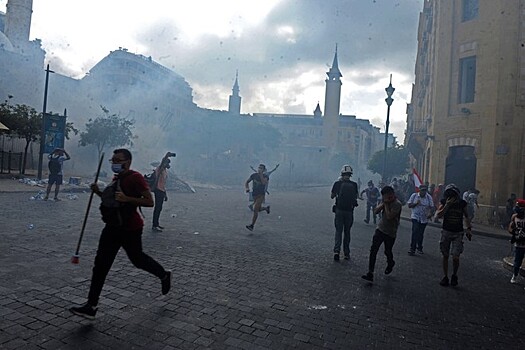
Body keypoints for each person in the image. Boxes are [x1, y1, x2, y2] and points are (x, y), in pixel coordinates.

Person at [70, 149, 171, 319]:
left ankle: (163, 274)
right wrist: (99, 193)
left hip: (130, 228)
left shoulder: (135, 177)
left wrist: (127, 199)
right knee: (101, 265)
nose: (114, 163)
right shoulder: (117, 178)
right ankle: (91, 305)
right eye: (113, 160)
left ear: (128, 161)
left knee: (137, 260)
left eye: (118, 160)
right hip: (112, 227)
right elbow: (114, 200)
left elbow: (149, 201)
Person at [361, 186, 403, 282]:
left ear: (392, 194)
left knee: (387, 251)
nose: (385, 197)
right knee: (373, 250)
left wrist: (387, 205)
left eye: (386, 195)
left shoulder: (397, 204)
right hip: (380, 229)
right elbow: (375, 211)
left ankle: (390, 263)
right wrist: (383, 203)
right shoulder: (385, 201)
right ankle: (370, 272)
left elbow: (389, 216)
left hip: (391, 232)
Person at [435, 184, 472, 287]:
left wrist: (469, 229)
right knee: (445, 255)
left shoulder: (462, 203)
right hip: (446, 231)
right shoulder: (444, 202)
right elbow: (438, 215)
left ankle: (454, 275)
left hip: (458, 232)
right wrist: (447, 205)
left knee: (456, 257)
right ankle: (445, 276)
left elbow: (466, 216)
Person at [330, 165, 359, 261]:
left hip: (339, 210)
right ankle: (346, 253)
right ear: (350, 175)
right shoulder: (354, 185)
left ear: (342, 174)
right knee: (347, 232)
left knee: (338, 231)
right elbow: (356, 197)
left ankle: (336, 251)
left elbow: (332, 196)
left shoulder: (337, 183)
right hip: (349, 211)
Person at [407, 184, 435, 255]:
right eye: (422, 190)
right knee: (415, 231)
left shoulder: (428, 197)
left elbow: (432, 207)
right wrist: (416, 203)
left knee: (420, 233)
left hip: (424, 218)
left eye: (425, 190)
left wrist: (430, 214)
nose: (423, 192)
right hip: (415, 216)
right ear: (419, 190)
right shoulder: (414, 196)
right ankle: (412, 248)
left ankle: (419, 247)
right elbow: (409, 205)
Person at [152, 152, 176, 232]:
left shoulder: (165, 171)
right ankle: (154, 225)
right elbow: (163, 162)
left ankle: (156, 223)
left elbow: (163, 183)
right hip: (158, 190)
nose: (168, 165)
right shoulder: (160, 169)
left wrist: (165, 194)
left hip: (161, 190)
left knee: (159, 208)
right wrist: (167, 155)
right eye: (167, 163)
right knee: (157, 208)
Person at [245, 164, 270, 231]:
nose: (259, 169)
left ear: (264, 170)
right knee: (258, 209)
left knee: (255, 209)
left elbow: (263, 183)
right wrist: (247, 188)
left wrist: (261, 175)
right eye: (259, 168)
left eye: (261, 168)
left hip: (261, 195)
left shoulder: (266, 176)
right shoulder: (254, 175)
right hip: (254, 194)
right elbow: (247, 182)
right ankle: (266, 208)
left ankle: (252, 225)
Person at [509, 199, 525, 284]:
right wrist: (514, 232)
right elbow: (510, 227)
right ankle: (515, 275)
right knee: (517, 262)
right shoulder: (514, 217)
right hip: (519, 243)